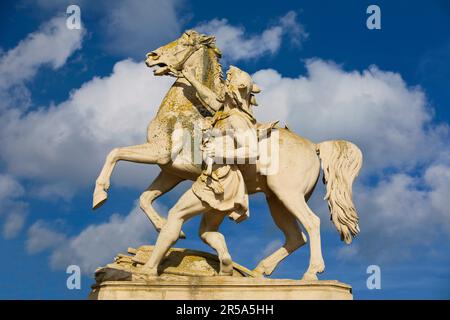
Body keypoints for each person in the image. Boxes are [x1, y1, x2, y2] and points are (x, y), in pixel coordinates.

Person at [141, 65, 261, 276]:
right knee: (207, 231)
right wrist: (189, 76)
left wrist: (219, 153)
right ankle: (224, 256)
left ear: (234, 89)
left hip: (218, 178)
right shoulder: (225, 114)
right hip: (227, 182)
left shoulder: (236, 119)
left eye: (227, 81)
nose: (223, 84)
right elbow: (209, 97)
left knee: (175, 214)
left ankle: (150, 268)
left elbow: (252, 151)